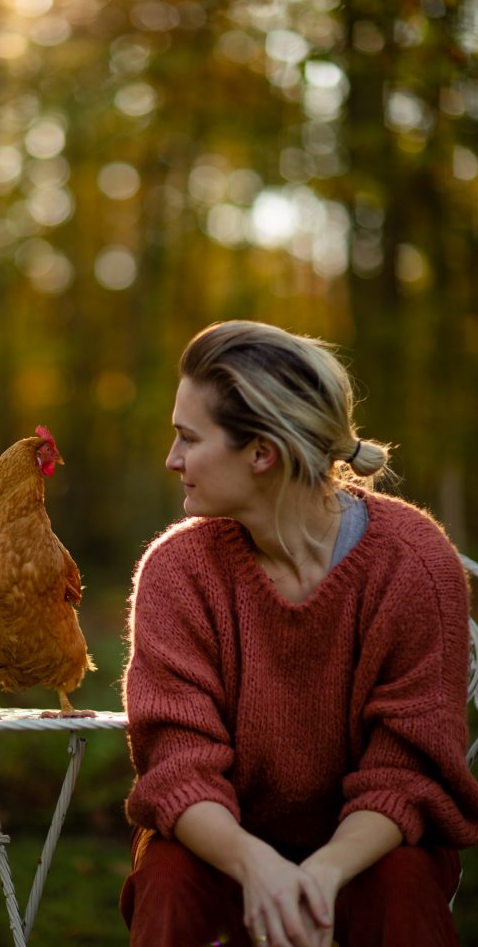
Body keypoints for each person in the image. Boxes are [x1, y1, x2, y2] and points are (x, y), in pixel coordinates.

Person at [120, 320, 478, 947]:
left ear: (261, 453)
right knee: (169, 877)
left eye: (188, 438)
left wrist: (320, 875)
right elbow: (177, 765)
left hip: (372, 850)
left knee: (403, 887)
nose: (172, 459)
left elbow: (407, 772)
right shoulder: (176, 571)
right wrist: (256, 866)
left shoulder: (415, 564)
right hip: (220, 843)